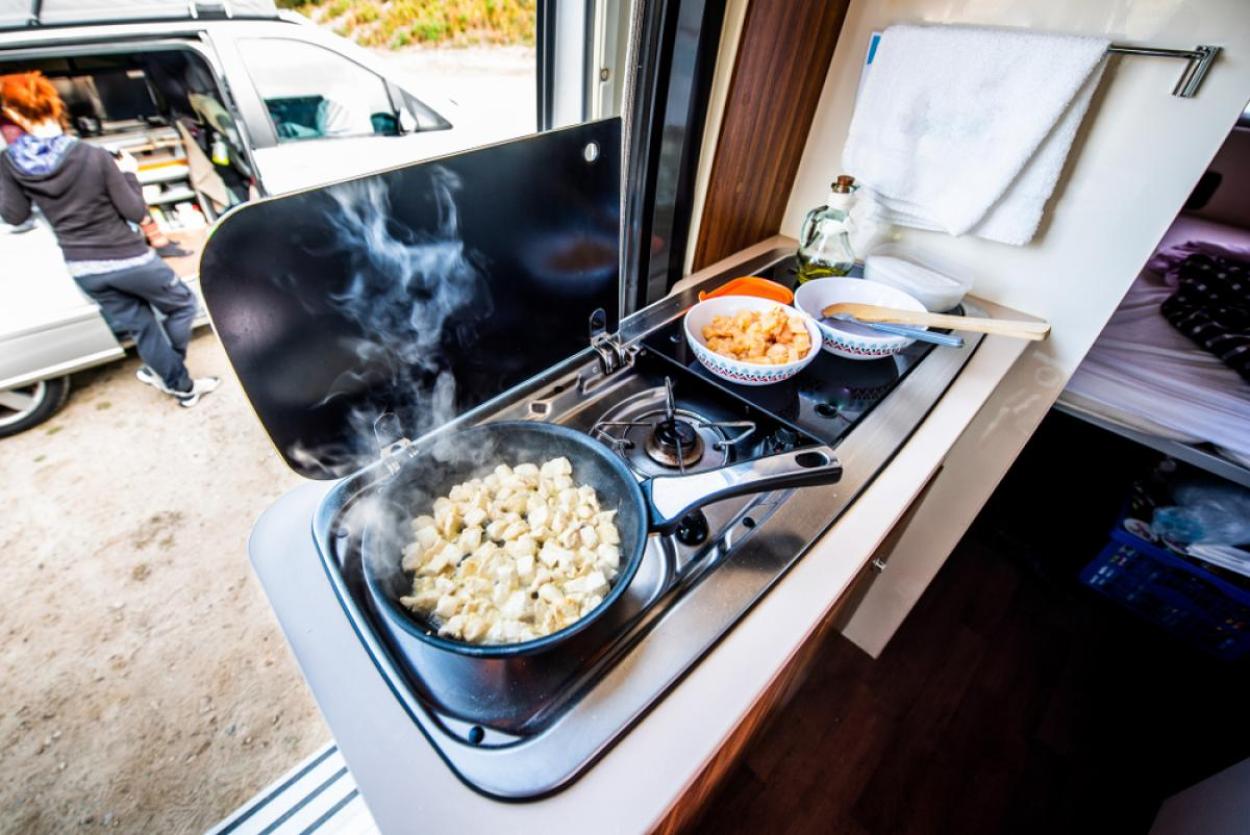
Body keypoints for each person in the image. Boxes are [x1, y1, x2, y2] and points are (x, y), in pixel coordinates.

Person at [0, 72, 219, 407]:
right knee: (183, 305)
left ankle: (171, 379)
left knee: (143, 327)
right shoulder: (92, 155)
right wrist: (128, 172)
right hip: (130, 260)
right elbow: (133, 211)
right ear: (49, 107)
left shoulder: (10, 162)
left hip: (84, 269)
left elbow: (15, 216)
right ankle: (174, 377)